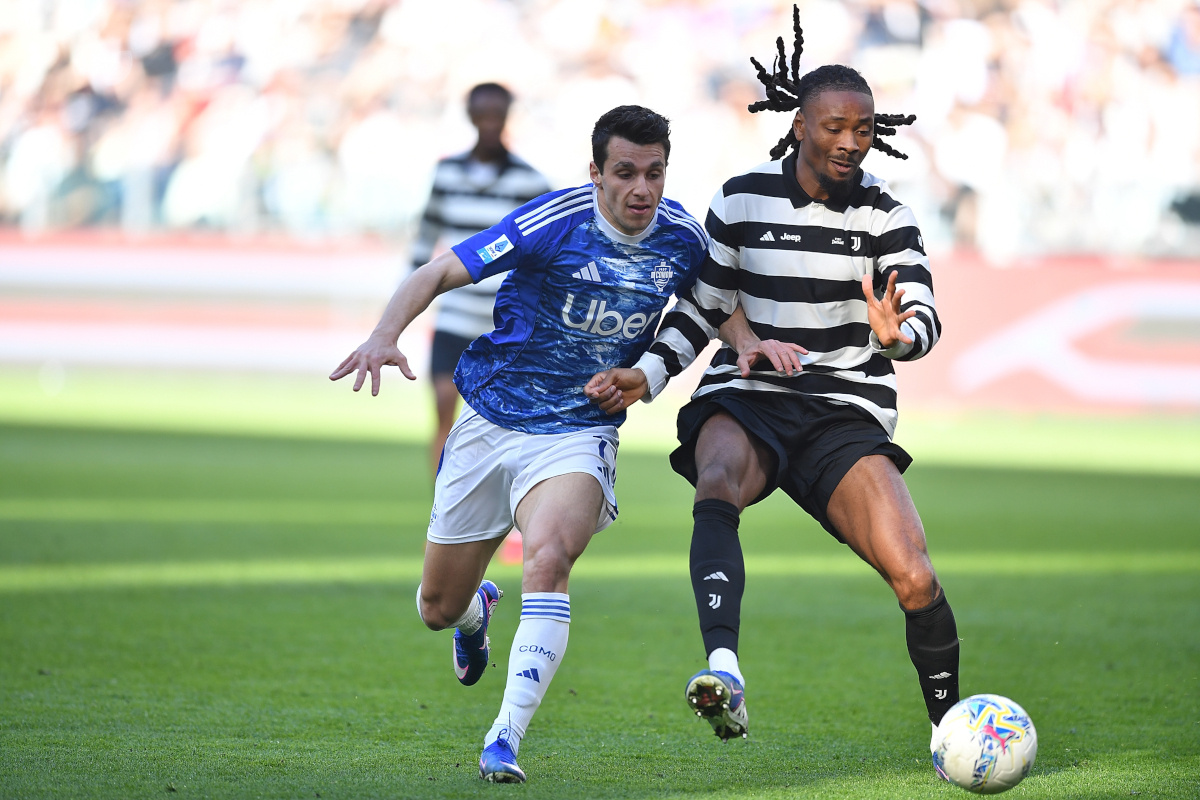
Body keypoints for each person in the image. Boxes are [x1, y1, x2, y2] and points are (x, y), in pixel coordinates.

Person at [585, 9, 956, 777]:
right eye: (834, 126)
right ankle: (724, 669)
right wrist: (648, 376)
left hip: (844, 409)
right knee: (716, 476)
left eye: (863, 128)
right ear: (800, 126)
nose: (850, 140)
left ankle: (951, 728)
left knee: (916, 576)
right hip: (748, 392)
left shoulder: (887, 215)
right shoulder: (742, 198)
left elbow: (922, 313)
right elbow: (704, 309)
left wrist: (899, 339)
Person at [330, 105, 713, 784]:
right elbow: (439, 272)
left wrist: (746, 344)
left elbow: (717, 303)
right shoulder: (552, 220)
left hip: (578, 429)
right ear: (596, 173)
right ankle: (473, 614)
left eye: (654, 173)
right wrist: (384, 335)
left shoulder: (682, 238)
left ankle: (504, 737)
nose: (641, 189)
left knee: (550, 558)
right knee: (436, 607)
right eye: (625, 172)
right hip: (490, 420)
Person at [410, 83, 551, 478]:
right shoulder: (446, 172)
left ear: (506, 117)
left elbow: (548, 245)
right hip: (454, 309)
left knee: (501, 416)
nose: (489, 123)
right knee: (443, 403)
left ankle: (502, 495)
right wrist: (409, 293)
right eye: (482, 115)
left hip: (503, 316)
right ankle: (442, 498)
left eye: (496, 115)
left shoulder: (530, 181)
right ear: (470, 117)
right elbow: (425, 235)